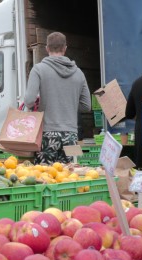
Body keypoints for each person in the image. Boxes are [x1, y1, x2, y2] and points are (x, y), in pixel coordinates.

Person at [24, 32, 91, 165]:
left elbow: (29, 100)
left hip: (47, 135)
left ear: (47, 48)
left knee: (45, 177)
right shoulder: (78, 73)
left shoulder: (38, 70)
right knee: (70, 176)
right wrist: (68, 103)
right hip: (71, 135)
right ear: (65, 48)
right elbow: (86, 106)